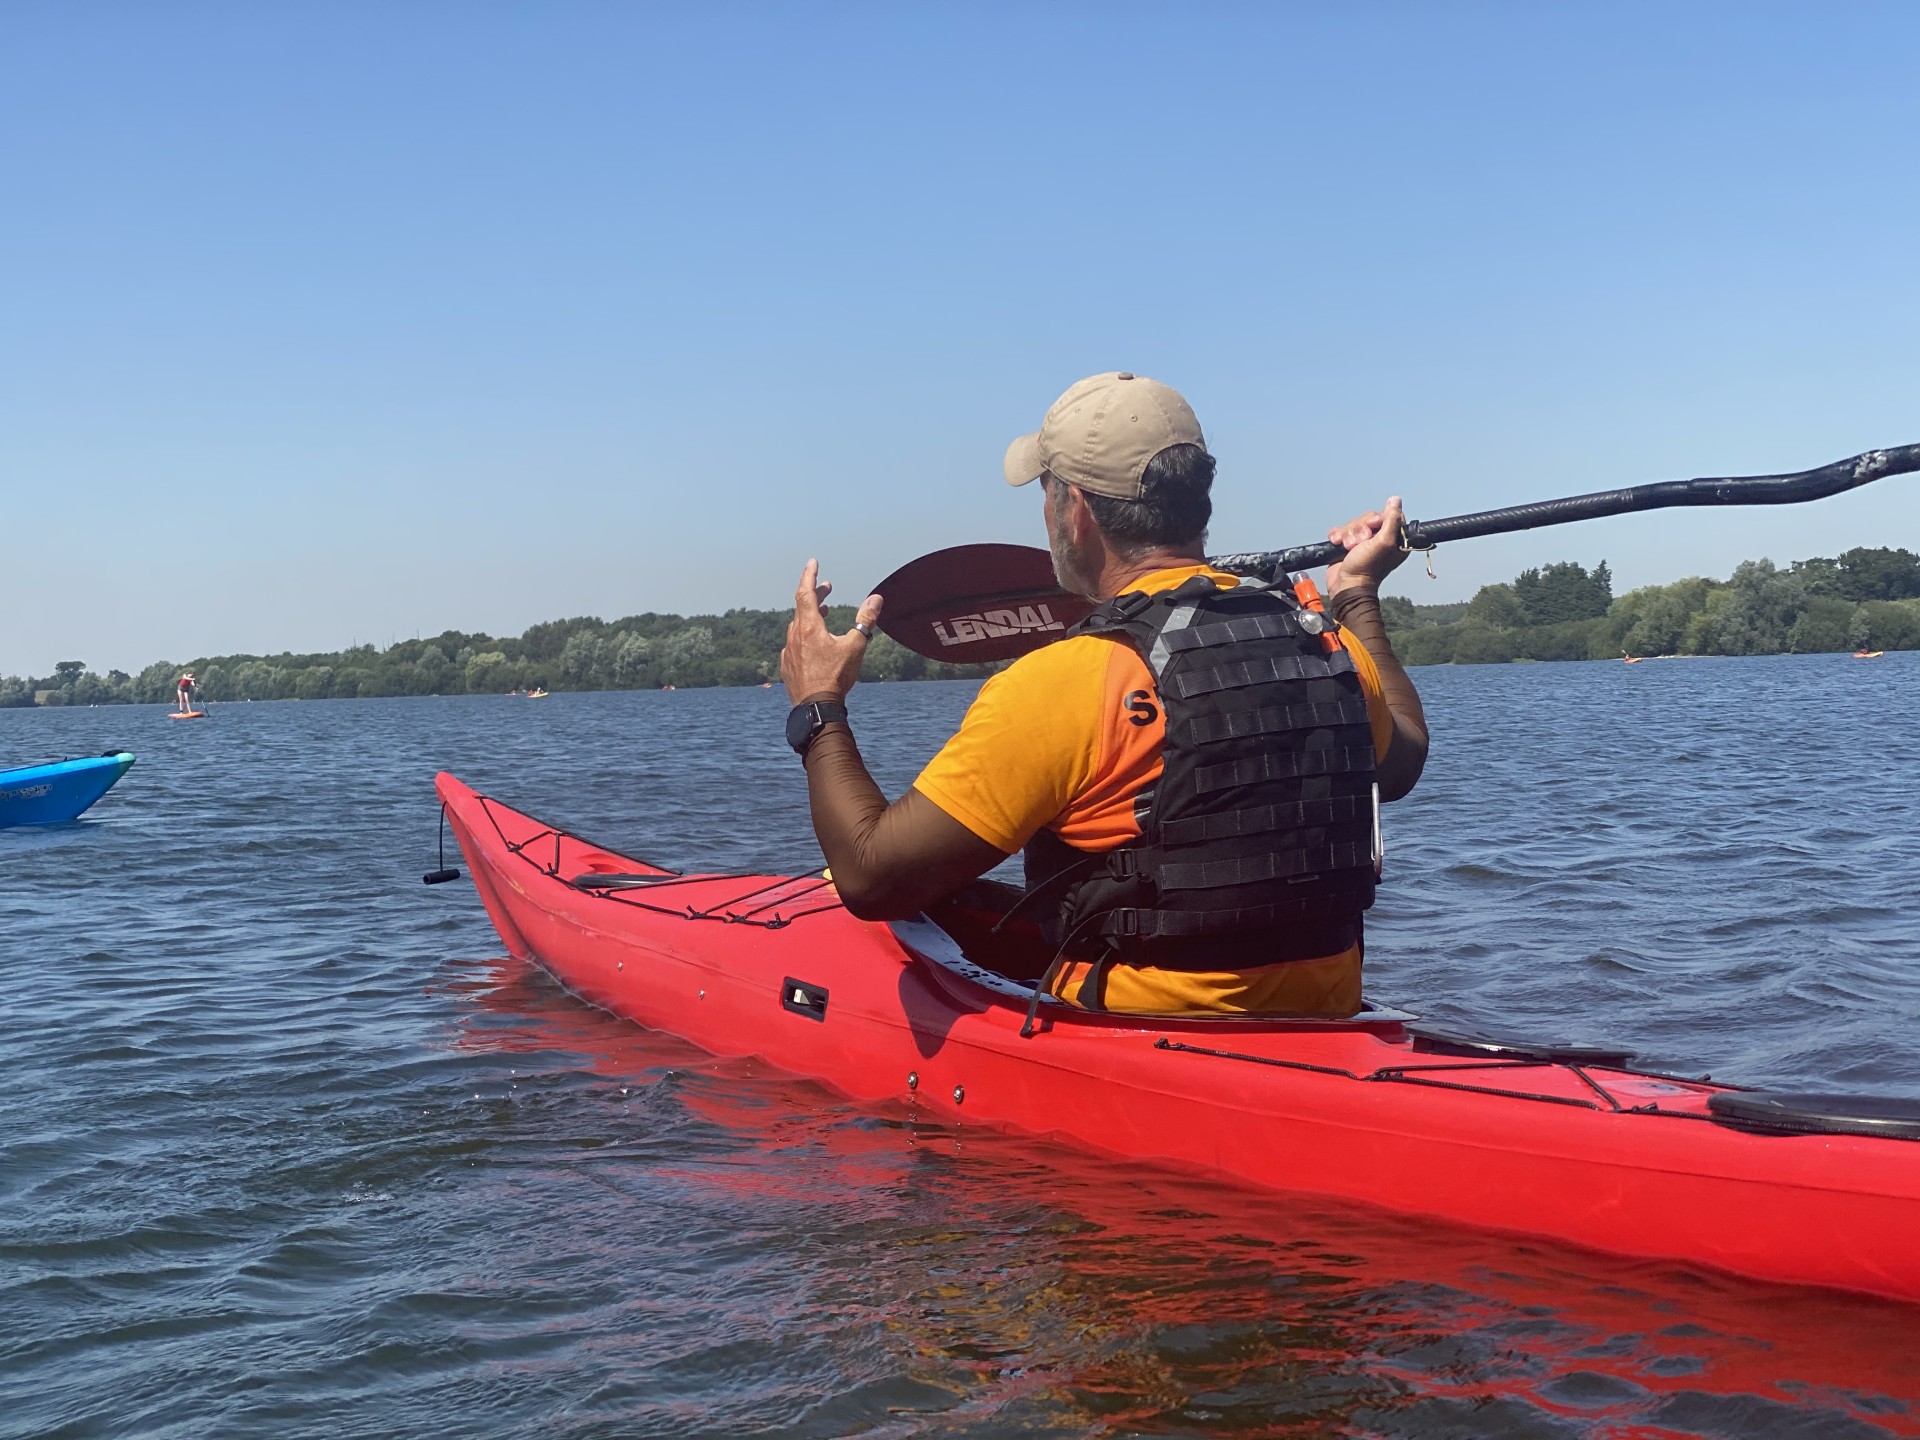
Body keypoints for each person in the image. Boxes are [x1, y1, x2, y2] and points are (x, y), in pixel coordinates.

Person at [780, 372, 1428, 1017]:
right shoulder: (1324, 638)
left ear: (1076, 510)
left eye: (1045, 491)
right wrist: (1355, 592)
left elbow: (871, 878)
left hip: (1143, 1039)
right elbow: (1400, 763)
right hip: (1324, 1025)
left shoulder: (1066, 679)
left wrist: (818, 707)